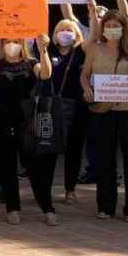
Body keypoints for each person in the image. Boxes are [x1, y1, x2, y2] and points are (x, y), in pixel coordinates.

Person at [0, 33, 53, 225]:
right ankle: (12, 207)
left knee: (35, 166)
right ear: (2, 44)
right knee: (7, 166)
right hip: (1, 119)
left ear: (23, 44)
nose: (12, 45)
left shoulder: (31, 62)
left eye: (16, 42)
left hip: (27, 120)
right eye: (8, 41)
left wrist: (43, 49)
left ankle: (47, 208)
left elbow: (45, 74)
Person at [81, 11, 128, 222]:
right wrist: (86, 89)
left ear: (123, 28)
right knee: (105, 159)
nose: (112, 29)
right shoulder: (94, 49)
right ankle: (106, 206)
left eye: (116, 25)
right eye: (108, 25)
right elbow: (84, 74)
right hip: (102, 109)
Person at [47, 20, 89, 205]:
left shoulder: (81, 52)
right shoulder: (48, 51)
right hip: (50, 106)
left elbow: (94, 34)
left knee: (74, 149)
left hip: (77, 108)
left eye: (69, 30)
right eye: (61, 30)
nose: (65, 33)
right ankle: (45, 188)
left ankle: (70, 189)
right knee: (48, 149)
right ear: (55, 34)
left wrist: (92, 12)